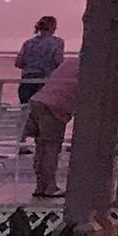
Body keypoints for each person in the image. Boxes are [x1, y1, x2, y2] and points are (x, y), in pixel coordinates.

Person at [23, 53, 80, 201]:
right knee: (51, 148)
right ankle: (50, 187)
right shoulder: (89, 69)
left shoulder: (70, 62)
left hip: (38, 101)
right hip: (55, 107)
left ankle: (40, 186)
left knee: (41, 147)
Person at [13, 16, 64, 108]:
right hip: (44, 81)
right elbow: (58, 60)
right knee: (41, 111)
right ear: (53, 27)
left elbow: (18, 63)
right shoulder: (57, 42)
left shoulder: (28, 43)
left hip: (26, 81)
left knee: (25, 110)